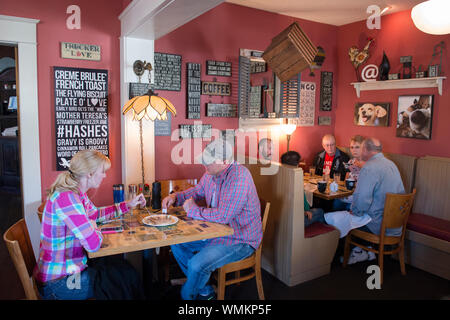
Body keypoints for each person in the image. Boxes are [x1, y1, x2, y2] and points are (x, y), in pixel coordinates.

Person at [33, 150, 146, 300]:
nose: (105, 175)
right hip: (59, 284)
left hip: (68, 272)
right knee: (122, 279)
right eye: (103, 171)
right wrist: (93, 227)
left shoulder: (78, 193)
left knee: (123, 269)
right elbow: (93, 245)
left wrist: (128, 205)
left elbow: (94, 215)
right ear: (90, 174)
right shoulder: (67, 198)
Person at [162, 138, 262, 300]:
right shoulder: (211, 172)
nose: (204, 164)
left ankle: (188, 294)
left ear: (225, 161)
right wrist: (176, 197)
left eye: (208, 161)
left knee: (196, 264)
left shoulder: (239, 178)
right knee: (177, 244)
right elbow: (198, 191)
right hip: (216, 232)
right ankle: (203, 288)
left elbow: (223, 216)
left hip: (241, 239)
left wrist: (193, 210)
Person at [325, 138, 405, 264]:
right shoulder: (391, 164)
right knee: (346, 213)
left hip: (376, 225)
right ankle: (363, 250)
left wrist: (355, 211)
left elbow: (362, 200)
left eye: (361, 148)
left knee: (331, 218)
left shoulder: (369, 168)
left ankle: (340, 258)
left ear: (366, 150)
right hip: (395, 224)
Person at [281, 151, 325, 227]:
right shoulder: (296, 179)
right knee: (320, 211)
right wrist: (306, 210)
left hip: (282, 219)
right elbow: (303, 199)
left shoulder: (280, 176)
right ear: (297, 164)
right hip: (295, 222)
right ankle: (322, 233)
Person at [332, 135, 365, 211]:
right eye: (352, 147)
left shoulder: (368, 164)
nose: (354, 150)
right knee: (334, 203)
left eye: (357, 147)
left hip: (357, 199)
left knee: (346, 207)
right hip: (346, 196)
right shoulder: (350, 162)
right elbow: (346, 180)